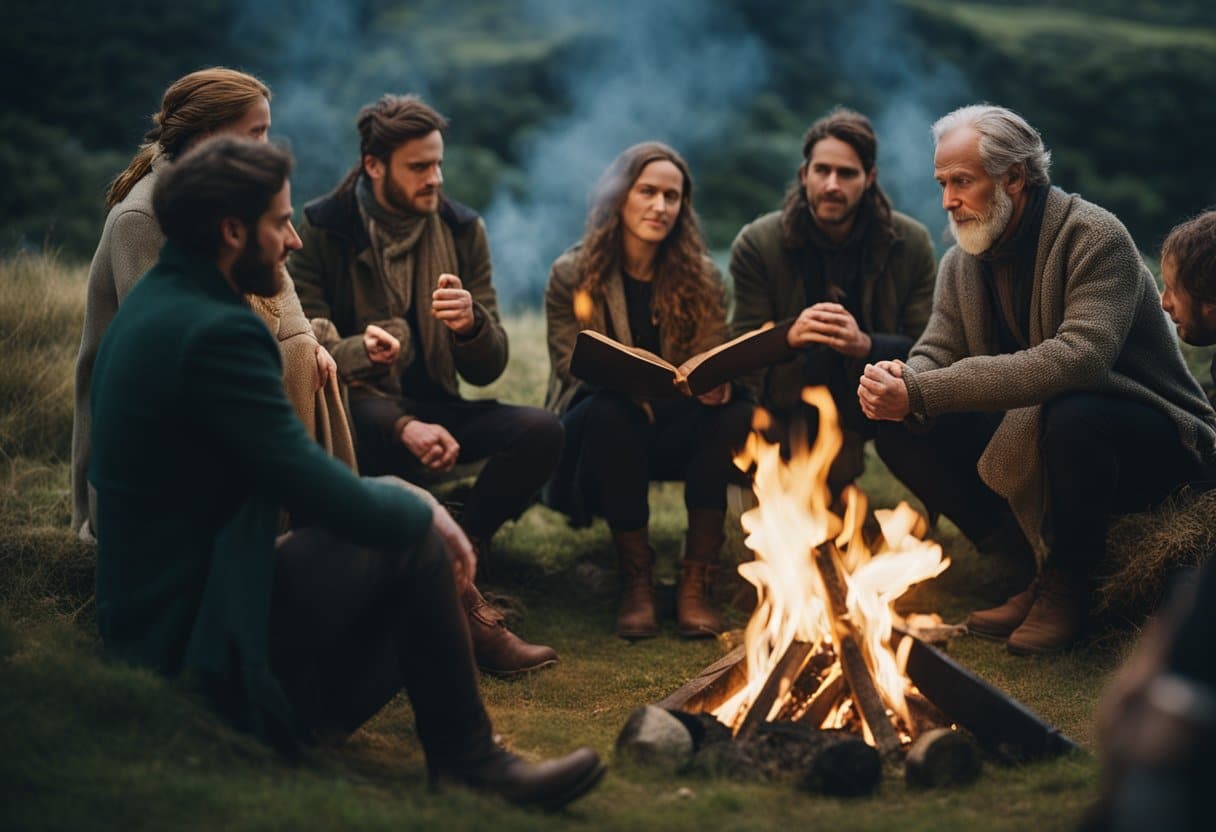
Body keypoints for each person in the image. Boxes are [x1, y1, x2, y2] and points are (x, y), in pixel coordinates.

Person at [90, 136, 604, 807]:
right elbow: (308, 482)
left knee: (405, 547)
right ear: (231, 230)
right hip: (193, 632)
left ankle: (315, 724)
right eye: (280, 224)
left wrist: (397, 494)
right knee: (414, 541)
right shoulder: (218, 331)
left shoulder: (162, 300)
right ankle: (466, 761)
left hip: (157, 611)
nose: (293, 242)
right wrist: (423, 509)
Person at [860, 105, 1216, 654]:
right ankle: (1033, 569)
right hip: (1043, 434)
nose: (948, 200)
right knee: (904, 423)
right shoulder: (961, 260)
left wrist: (927, 388)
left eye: (962, 182)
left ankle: (1070, 586)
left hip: (1160, 439)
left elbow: (1079, 359)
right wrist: (902, 380)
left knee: (1073, 411)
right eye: (942, 183)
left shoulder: (1096, 238)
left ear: (1014, 178)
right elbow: (936, 349)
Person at [289, 94, 561, 675]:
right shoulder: (319, 228)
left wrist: (471, 327)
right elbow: (304, 352)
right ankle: (463, 597)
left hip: (439, 403)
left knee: (542, 430)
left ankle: (455, 550)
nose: (435, 178)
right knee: (357, 414)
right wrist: (365, 355)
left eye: (438, 163)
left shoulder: (463, 229)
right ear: (374, 166)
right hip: (356, 410)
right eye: (419, 166)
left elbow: (489, 367)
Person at [71, 67, 351, 542]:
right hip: (148, 456)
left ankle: (312, 527)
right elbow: (175, 360)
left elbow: (279, 281)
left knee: (304, 355)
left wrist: (303, 337)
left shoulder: (232, 195)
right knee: (292, 359)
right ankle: (295, 531)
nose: (264, 147)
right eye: (254, 134)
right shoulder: (141, 220)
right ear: (206, 139)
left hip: (213, 408)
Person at [544, 141, 754, 639]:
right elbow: (570, 364)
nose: (660, 206)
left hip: (680, 423)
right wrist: (632, 381)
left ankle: (694, 582)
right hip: (605, 426)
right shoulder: (572, 273)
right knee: (610, 409)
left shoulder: (702, 276)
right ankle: (635, 580)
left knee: (733, 413)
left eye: (672, 196)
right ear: (620, 196)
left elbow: (709, 356)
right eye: (648, 192)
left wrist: (715, 384)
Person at [730, 108, 936, 495]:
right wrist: (788, 337)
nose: (831, 185)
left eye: (847, 173)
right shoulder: (758, 243)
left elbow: (932, 346)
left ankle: (991, 530)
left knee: (929, 415)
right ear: (804, 174)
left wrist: (866, 345)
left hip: (876, 391)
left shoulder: (910, 243)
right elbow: (741, 343)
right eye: (822, 170)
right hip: (790, 393)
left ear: (870, 179)